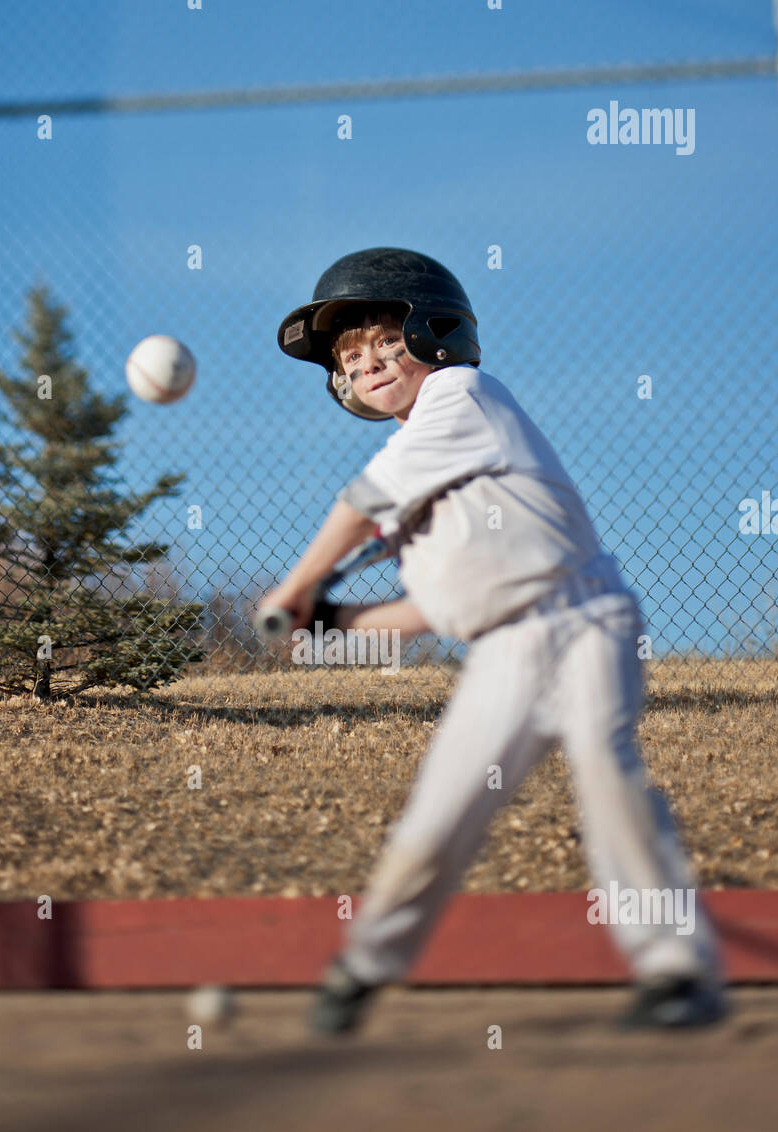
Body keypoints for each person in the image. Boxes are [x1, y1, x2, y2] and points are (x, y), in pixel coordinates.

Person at [263, 247, 727, 1034]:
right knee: (437, 816)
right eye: (348, 354)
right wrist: (334, 628)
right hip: (503, 652)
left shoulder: (462, 394)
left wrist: (296, 587)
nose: (366, 361)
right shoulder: (419, 483)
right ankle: (362, 967)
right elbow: (435, 611)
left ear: (433, 330)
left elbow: (359, 501)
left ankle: (675, 969)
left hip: (584, 620)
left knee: (607, 780)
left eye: (382, 338)